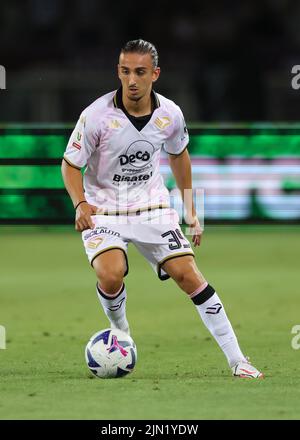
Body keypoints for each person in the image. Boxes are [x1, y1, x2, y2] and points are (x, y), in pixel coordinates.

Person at [61, 39, 263, 379]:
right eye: (125, 72)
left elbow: (179, 155)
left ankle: (237, 360)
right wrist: (80, 203)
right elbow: (69, 165)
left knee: (189, 275)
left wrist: (191, 210)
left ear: (155, 73)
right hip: (105, 209)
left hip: (152, 207)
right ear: (119, 72)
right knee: (110, 274)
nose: (132, 80)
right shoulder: (95, 116)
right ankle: (122, 334)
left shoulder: (170, 113)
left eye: (140, 72)